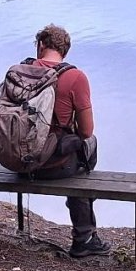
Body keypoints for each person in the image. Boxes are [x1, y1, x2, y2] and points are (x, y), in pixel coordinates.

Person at [27, 23, 111, 258]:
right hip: (53, 167)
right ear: (65, 51)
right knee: (89, 144)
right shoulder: (74, 77)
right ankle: (84, 237)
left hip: (18, 163)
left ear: (40, 45)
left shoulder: (20, 71)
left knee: (80, 149)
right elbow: (86, 130)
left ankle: (84, 230)